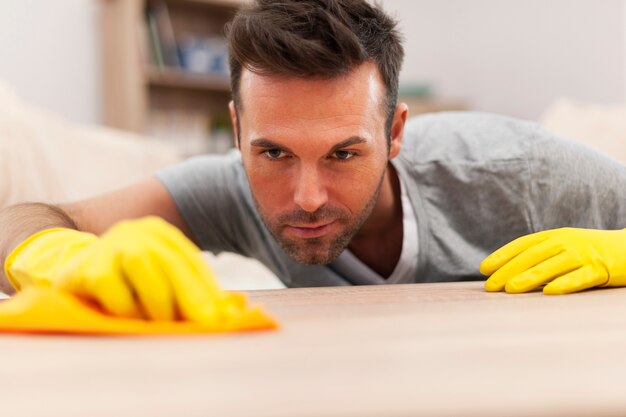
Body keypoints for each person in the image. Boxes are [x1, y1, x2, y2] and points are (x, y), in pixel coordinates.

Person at [1, 0, 625, 322]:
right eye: (272, 151)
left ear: (396, 131)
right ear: (238, 129)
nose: (305, 197)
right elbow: (25, 220)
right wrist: (58, 256)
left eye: (344, 153)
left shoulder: (526, 172)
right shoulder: (226, 190)